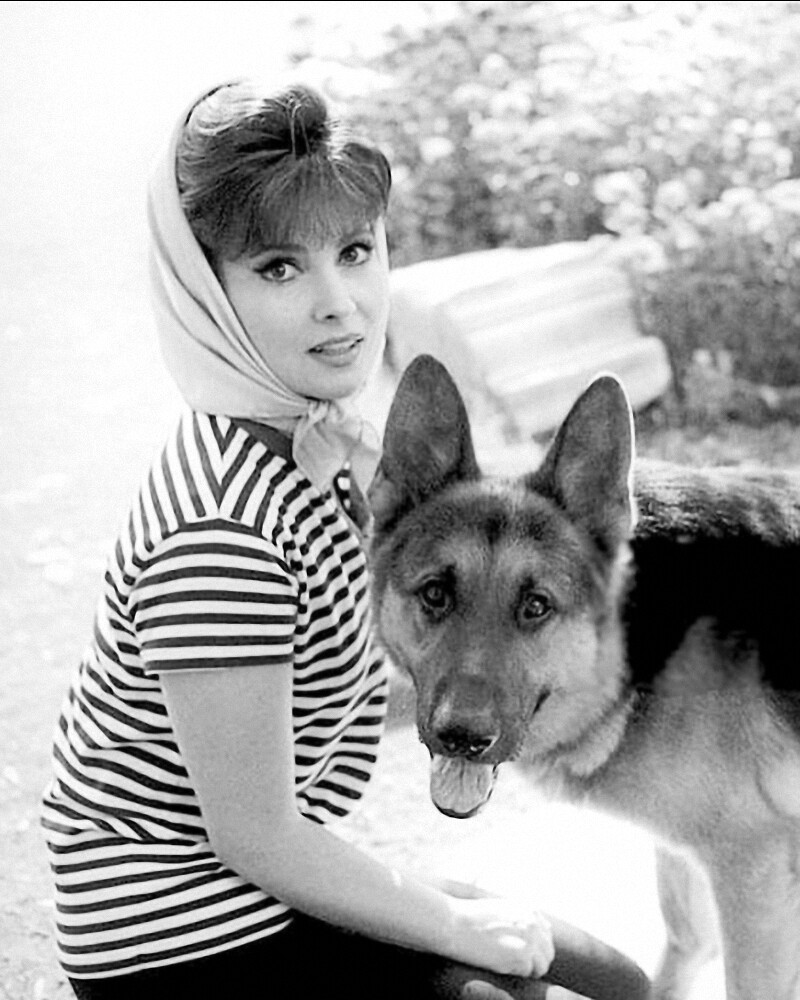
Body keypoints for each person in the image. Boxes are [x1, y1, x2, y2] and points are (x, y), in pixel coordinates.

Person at [41, 79, 650, 1000]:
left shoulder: (308, 446)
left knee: (621, 983)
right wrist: (460, 929)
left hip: (267, 895)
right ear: (204, 290)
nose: (341, 304)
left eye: (355, 251)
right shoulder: (220, 531)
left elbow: (333, 687)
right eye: (279, 268)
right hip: (179, 941)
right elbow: (254, 833)